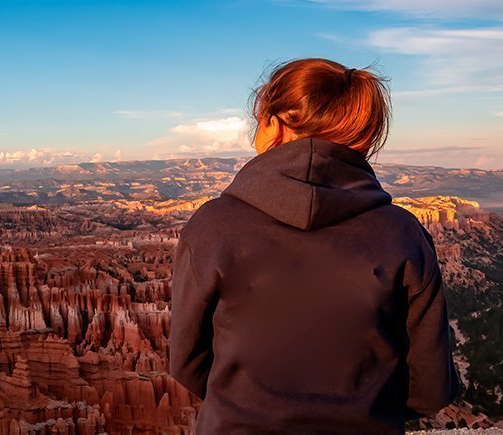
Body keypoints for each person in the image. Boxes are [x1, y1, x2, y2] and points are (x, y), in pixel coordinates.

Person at [169, 58, 461, 434]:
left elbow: (188, 365)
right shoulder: (401, 232)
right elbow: (430, 387)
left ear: (272, 123)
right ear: (365, 136)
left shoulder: (213, 226)